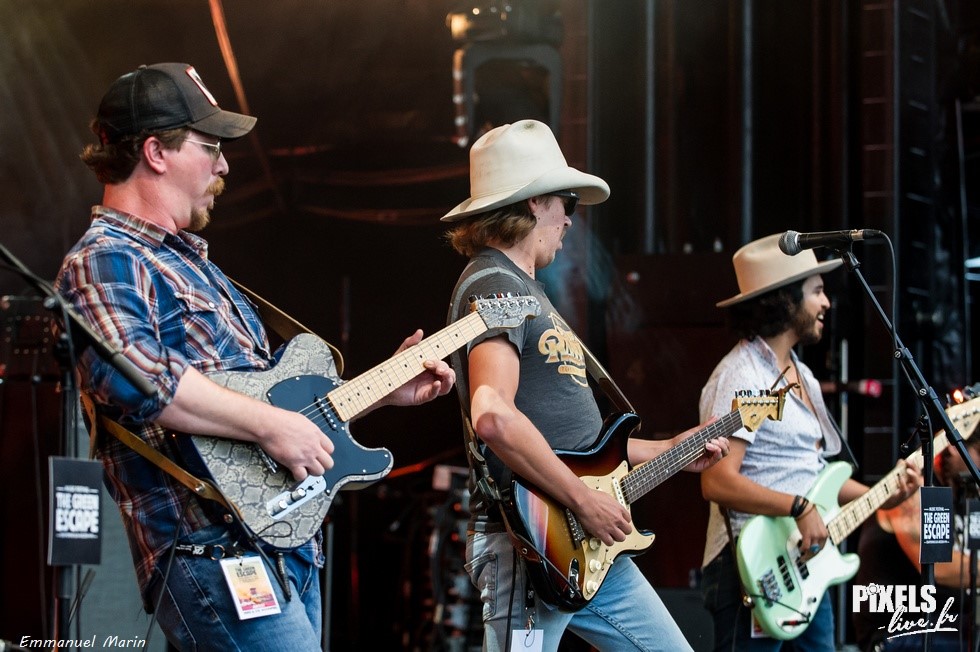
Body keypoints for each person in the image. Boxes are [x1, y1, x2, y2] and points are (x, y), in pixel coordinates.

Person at [54, 63, 455, 651]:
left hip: (280, 543)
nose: (223, 166)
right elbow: (139, 379)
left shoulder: (200, 270)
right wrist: (271, 425)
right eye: (210, 147)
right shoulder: (104, 259)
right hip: (208, 545)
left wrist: (379, 392)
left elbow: (275, 409)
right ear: (156, 152)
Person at [441, 118, 731, 652]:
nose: (570, 220)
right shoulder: (495, 282)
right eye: (566, 202)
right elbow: (493, 415)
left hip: (584, 541)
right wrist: (582, 500)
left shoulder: (526, 290)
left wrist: (670, 449)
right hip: (529, 540)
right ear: (533, 203)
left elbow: (582, 448)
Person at [698, 234, 921, 651]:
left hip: (806, 563)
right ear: (785, 301)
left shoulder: (805, 377)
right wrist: (798, 507)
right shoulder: (743, 374)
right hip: (751, 564)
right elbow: (716, 481)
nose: (826, 303)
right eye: (817, 291)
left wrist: (886, 494)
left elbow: (816, 476)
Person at [852, 435, 980, 651]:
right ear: (954, 447)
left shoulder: (966, 491)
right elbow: (938, 567)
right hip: (898, 631)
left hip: (951, 625)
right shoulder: (911, 487)